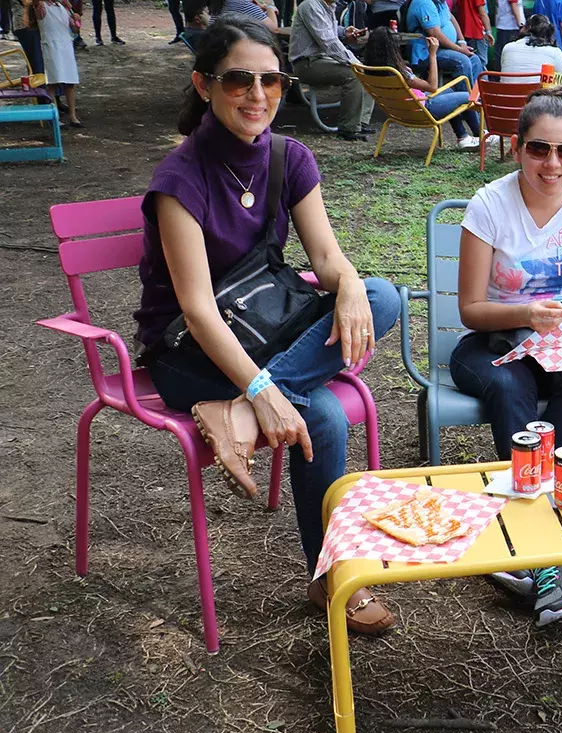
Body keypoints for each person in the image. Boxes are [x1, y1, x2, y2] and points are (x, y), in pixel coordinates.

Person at [137, 18, 402, 634]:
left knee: (385, 297)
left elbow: (328, 261)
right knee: (327, 414)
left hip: (265, 326)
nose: (257, 95)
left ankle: (232, 416)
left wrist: (354, 287)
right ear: (204, 85)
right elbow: (198, 310)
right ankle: (330, 577)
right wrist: (263, 391)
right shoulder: (179, 180)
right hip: (188, 350)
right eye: (239, 80)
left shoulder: (290, 157)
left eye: (271, 81)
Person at [447, 87, 562, 627]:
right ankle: (554, 550)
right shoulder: (489, 204)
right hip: (493, 342)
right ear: (517, 149)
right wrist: (526, 312)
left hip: (559, 342)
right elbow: (472, 309)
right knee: (506, 386)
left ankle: (540, 543)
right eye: (539, 150)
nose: (552, 163)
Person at [362, 27, 482, 149]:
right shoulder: (399, 73)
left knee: (450, 91)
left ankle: (463, 137)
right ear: (392, 48)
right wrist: (433, 54)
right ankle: (480, 134)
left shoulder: (371, 71)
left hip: (400, 112)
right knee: (467, 96)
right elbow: (432, 87)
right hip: (424, 110)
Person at [288, 0, 375, 140]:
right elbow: (328, 42)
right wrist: (355, 62)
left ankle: (360, 122)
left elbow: (329, 31)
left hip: (322, 60)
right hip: (306, 63)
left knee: (367, 72)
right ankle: (348, 129)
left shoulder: (329, 6)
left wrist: (345, 31)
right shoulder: (310, 5)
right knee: (355, 74)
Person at [406, 0, 480, 87]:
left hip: (443, 48)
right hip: (426, 52)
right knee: (462, 61)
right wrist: (460, 50)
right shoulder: (423, 3)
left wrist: (462, 42)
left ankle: (476, 97)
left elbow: (451, 18)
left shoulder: (440, 2)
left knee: (474, 59)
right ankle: (465, 97)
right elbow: (435, 33)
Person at [36, 0, 81, 127]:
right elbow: (36, 6)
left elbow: (75, 29)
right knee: (53, 82)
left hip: (66, 44)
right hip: (51, 45)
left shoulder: (63, 7)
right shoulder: (41, 6)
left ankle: (73, 116)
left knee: (70, 82)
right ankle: (52, 116)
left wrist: (77, 20)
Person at [501, 13, 562, 77]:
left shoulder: (507, 48)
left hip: (508, 88)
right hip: (539, 88)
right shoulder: (555, 52)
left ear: (526, 28)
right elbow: (560, 79)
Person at [451, 0, 493, 68]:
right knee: (481, 63)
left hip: (464, 32)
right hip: (477, 31)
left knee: (470, 61)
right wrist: (488, 31)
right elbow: (483, 13)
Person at [490, 0, 525, 70]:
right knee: (509, 55)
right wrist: (521, 25)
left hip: (504, 25)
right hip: (510, 27)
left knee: (501, 54)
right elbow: (514, 4)